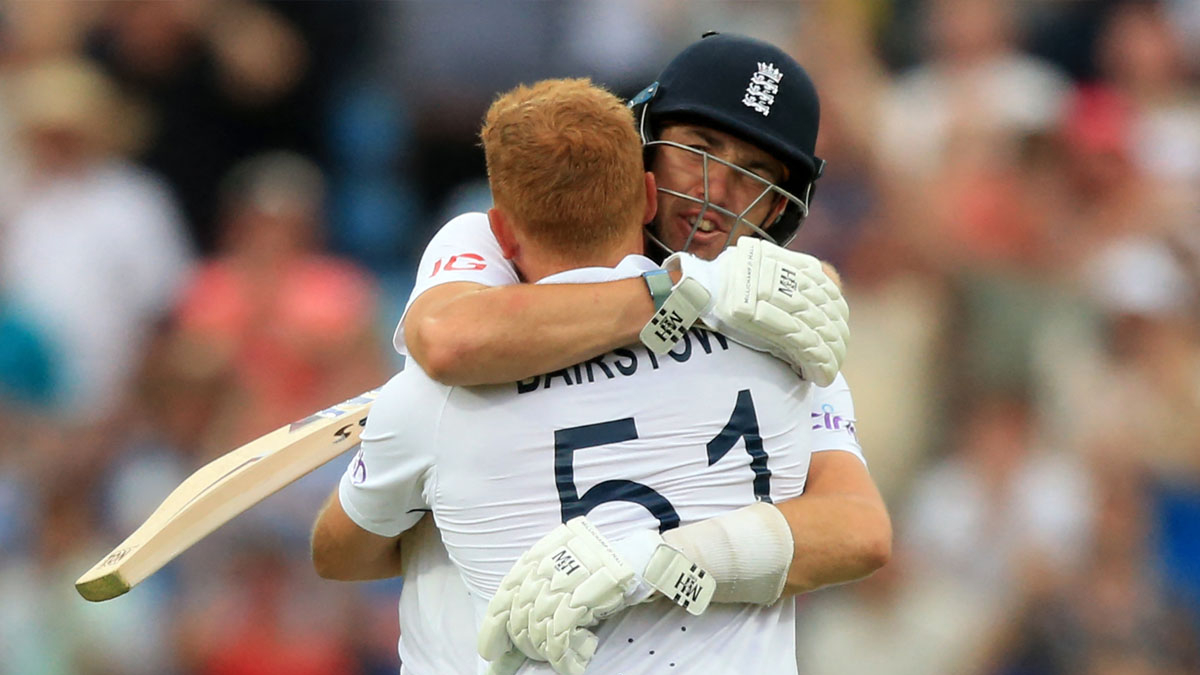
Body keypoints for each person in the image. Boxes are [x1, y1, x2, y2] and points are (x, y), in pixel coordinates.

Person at [316, 33, 889, 675]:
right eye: (698, 151)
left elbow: (858, 528)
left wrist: (651, 560)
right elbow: (451, 340)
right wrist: (686, 290)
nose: (716, 192)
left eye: (754, 174)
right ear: (644, 144)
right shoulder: (497, 240)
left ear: (783, 206)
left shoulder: (782, 329)